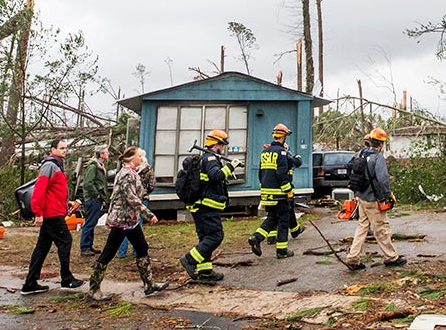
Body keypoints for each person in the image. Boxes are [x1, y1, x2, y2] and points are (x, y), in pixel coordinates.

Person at [87, 146, 169, 301]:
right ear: (132, 159)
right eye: (139, 156)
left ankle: (149, 284)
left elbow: (140, 191)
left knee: (142, 247)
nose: (141, 158)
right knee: (108, 253)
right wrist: (149, 214)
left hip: (130, 220)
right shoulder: (126, 175)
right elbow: (131, 198)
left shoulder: (132, 173)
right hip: (122, 220)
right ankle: (93, 289)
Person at [21, 138, 85, 294]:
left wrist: (66, 202)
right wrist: (38, 213)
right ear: (53, 150)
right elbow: (39, 191)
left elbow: (54, 191)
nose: (65, 150)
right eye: (62, 148)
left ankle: (30, 283)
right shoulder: (50, 166)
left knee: (42, 248)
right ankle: (66, 279)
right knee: (65, 241)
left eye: (66, 147)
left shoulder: (57, 165)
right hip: (51, 214)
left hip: (55, 211)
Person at [180, 128, 241, 284]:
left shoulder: (205, 158)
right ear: (217, 145)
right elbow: (215, 176)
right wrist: (231, 167)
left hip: (199, 206)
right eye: (222, 145)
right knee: (215, 236)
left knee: (205, 238)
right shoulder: (210, 160)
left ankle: (205, 272)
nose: (223, 148)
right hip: (207, 207)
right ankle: (189, 259)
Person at [343, 128, 406, 271]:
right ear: (381, 143)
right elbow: (383, 179)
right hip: (372, 200)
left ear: (370, 141)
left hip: (361, 197)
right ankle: (391, 257)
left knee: (362, 226)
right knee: (381, 228)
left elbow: (349, 168)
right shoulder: (378, 157)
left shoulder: (360, 153)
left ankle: (353, 258)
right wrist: (387, 196)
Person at [249, 123, 303, 259]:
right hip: (280, 194)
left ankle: (256, 237)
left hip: (267, 192)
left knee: (272, 218)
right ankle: (282, 251)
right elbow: (282, 174)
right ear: (283, 137)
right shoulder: (282, 153)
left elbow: (261, 173)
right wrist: (288, 191)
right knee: (283, 221)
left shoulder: (265, 152)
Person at [78, 145, 111, 257]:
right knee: (89, 223)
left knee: (92, 222)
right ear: (101, 154)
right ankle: (84, 247)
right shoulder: (93, 167)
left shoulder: (99, 166)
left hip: (96, 198)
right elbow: (88, 183)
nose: (108, 154)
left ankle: (89, 245)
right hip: (93, 198)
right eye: (106, 152)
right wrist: (97, 195)